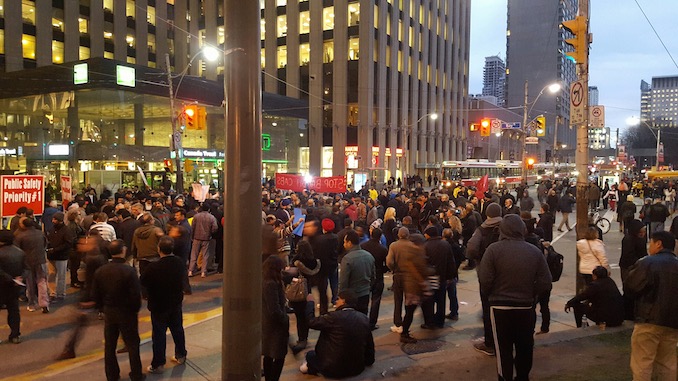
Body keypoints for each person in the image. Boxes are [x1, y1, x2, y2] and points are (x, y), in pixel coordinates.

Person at [478, 215, 552, 381]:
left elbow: (485, 280)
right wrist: (532, 295)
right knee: (525, 347)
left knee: (503, 350)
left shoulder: (493, 250)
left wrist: (492, 294)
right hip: (525, 307)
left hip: (500, 308)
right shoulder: (534, 251)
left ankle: (505, 378)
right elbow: (545, 282)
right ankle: (523, 376)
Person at [625, 231, 678, 381]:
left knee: (642, 363)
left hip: (648, 320)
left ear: (658, 244)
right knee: (667, 363)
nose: (649, 246)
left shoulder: (648, 262)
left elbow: (631, 287)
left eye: (651, 243)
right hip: (673, 322)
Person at [90, 239, 144, 381]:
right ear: (123, 251)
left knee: (110, 346)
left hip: (110, 312)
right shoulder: (129, 271)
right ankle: (136, 374)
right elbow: (135, 295)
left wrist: (103, 308)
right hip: (127, 313)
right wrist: (134, 309)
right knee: (132, 344)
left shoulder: (101, 271)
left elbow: (95, 294)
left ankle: (112, 375)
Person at [140, 236, 189, 374]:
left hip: (158, 305)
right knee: (178, 329)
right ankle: (181, 354)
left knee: (159, 334)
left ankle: (158, 363)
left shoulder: (153, 267)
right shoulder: (179, 262)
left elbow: (143, 282)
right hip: (175, 302)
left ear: (159, 249)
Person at [300, 289, 375, 378]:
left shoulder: (333, 317)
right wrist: (368, 361)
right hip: (356, 368)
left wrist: (310, 303)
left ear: (343, 301)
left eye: (338, 299)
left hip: (331, 368)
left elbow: (311, 322)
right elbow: (369, 345)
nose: (336, 301)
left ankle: (312, 369)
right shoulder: (364, 318)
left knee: (309, 355)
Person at [288, 240, 320, 354]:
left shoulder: (296, 261)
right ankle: (304, 338)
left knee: (299, 317)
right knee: (305, 315)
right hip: (308, 290)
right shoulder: (313, 261)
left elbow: (290, 275)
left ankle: (301, 339)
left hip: (298, 291)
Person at [422, 226, 457, 329]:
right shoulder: (445, 245)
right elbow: (451, 262)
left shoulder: (426, 246)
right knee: (441, 300)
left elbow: (423, 263)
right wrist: (450, 276)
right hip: (442, 277)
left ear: (428, 235)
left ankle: (430, 322)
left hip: (430, 278)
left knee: (429, 300)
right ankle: (440, 321)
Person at [261, 255, 289, 381]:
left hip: (267, 323)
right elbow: (274, 308)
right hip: (275, 326)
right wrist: (284, 319)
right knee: (278, 355)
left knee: (268, 354)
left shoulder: (265, 280)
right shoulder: (271, 284)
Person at [14, 217, 50, 313]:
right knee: (42, 282)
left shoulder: (20, 236)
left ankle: (32, 303)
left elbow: (17, 250)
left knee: (30, 284)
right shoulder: (40, 233)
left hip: (28, 262)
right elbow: (45, 244)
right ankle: (44, 303)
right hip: (41, 260)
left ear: (23, 225)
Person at [338, 230, 376, 315]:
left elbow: (343, 281)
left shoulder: (347, 259)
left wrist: (341, 296)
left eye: (345, 242)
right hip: (365, 293)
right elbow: (373, 276)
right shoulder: (369, 256)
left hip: (352, 296)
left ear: (350, 243)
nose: (344, 244)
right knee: (363, 317)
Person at [0, 230, 27, 344]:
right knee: (14, 311)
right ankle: (15, 335)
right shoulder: (20, 252)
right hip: (15, 286)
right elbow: (26, 269)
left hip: (2, 286)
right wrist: (19, 278)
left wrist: (9, 278)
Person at [360, 227, 388, 330]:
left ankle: (362, 320)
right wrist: (384, 269)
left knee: (364, 299)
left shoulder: (363, 246)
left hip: (365, 274)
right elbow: (388, 264)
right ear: (380, 236)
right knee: (376, 300)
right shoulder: (383, 249)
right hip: (378, 275)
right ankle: (372, 323)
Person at [620, 219, 647, 320]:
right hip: (629, 268)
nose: (643, 233)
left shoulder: (639, 239)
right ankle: (628, 314)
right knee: (629, 290)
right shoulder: (629, 239)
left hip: (637, 267)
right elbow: (628, 256)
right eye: (641, 231)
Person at [46, 212, 74, 302]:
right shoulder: (51, 229)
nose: (53, 221)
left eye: (55, 219)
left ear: (60, 221)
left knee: (61, 276)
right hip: (51, 256)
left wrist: (55, 249)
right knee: (51, 275)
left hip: (61, 257)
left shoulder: (66, 230)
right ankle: (52, 293)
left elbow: (68, 244)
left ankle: (61, 294)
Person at [188, 204, 218, 278]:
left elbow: (192, 227)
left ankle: (190, 271)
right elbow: (215, 228)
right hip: (206, 238)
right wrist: (210, 233)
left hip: (196, 237)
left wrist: (192, 236)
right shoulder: (211, 217)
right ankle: (203, 272)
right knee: (205, 255)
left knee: (194, 255)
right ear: (208, 210)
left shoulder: (196, 216)